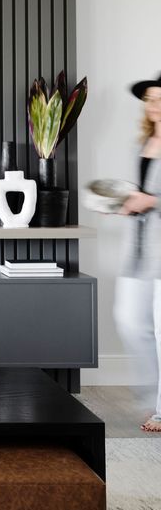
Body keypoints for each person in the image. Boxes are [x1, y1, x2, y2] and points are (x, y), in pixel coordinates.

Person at [113, 72, 161, 431]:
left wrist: (151, 201)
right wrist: (121, 203)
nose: (153, 105)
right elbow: (138, 194)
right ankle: (153, 397)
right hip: (139, 251)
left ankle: (160, 409)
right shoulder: (141, 145)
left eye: (159, 98)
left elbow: (151, 198)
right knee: (130, 321)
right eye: (149, 99)